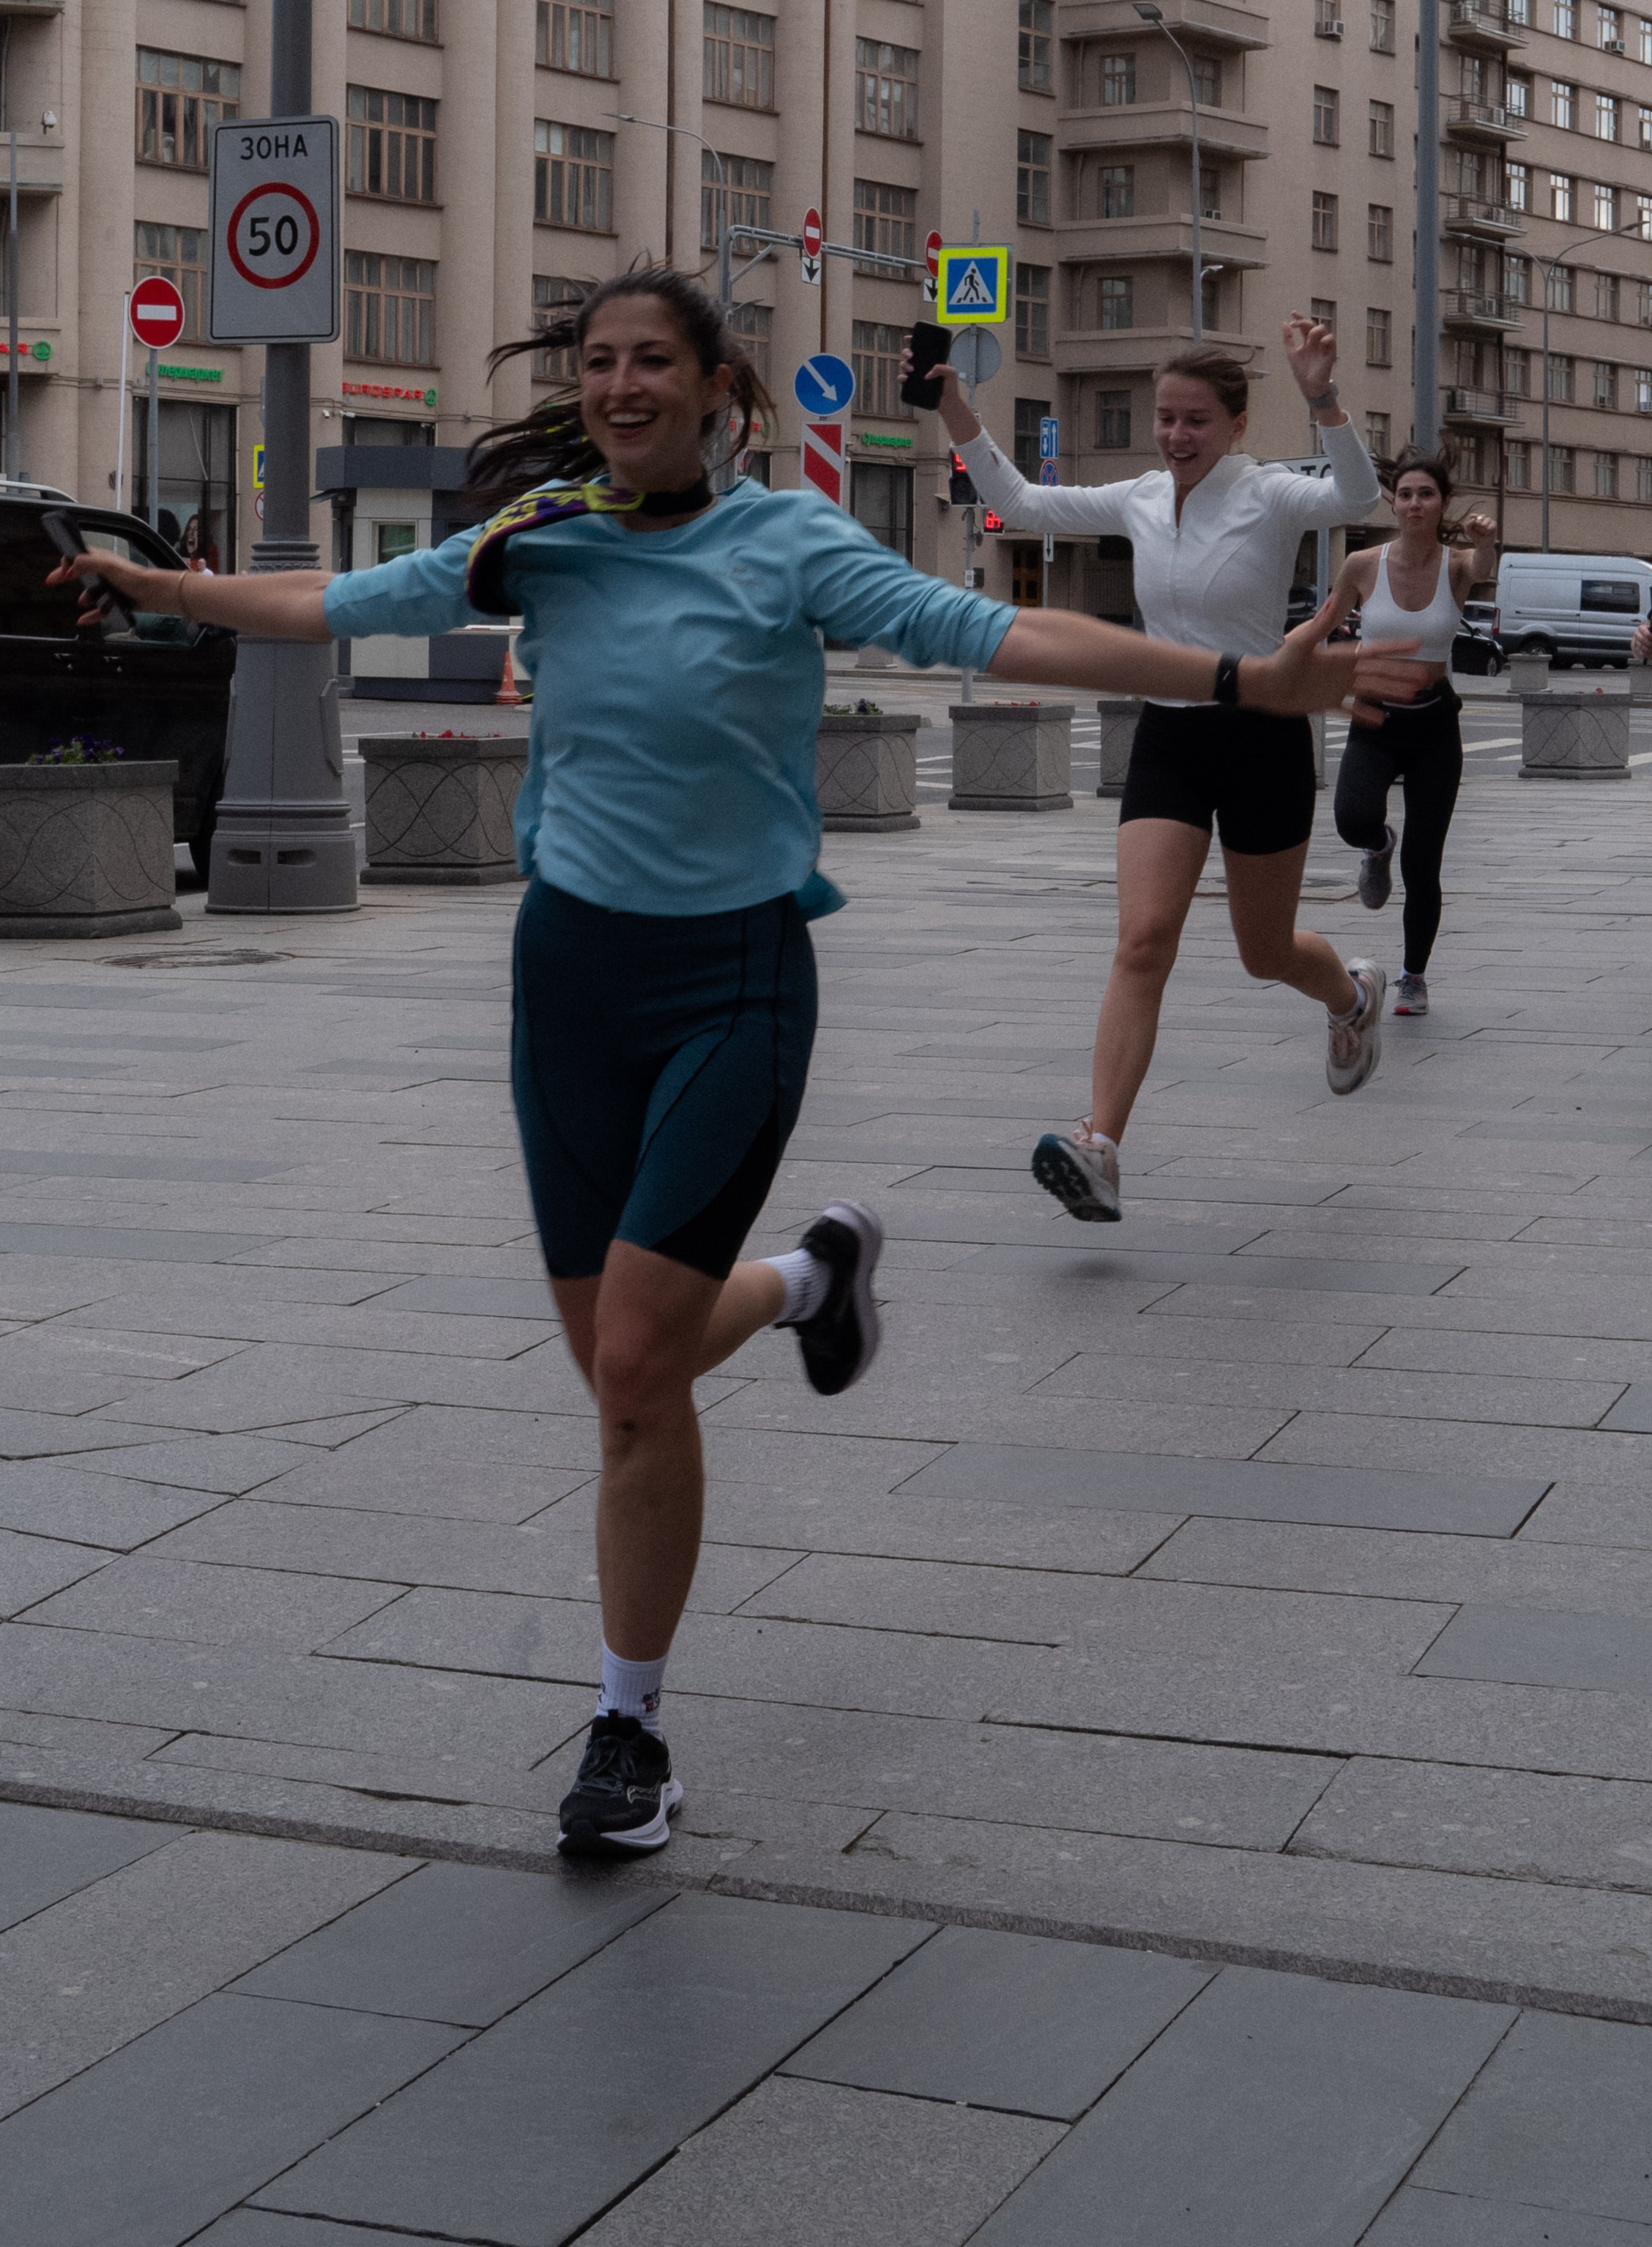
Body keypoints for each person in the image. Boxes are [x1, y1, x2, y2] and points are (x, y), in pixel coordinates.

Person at [56, 270, 1415, 1862]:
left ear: (719, 393)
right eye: (599, 362)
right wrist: (167, 592)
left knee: (634, 1371)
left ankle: (627, 1722)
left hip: (735, 979)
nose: (622, 384)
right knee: (629, 1358)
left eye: (653, 362)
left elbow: (1007, 630)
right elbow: (333, 609)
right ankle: (810, 1277)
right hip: (568, 981)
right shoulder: (533, 541)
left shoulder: (790, 544)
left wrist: (1247, 680)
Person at [922, 316, 1393, 1228]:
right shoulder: (1140, 497)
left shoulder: (1274, 495)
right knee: (1143, 940)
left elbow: (1358, 492)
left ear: (1237, 424)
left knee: (1266, 952)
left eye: (1195, 421)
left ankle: (1351, 993)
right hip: (1170, 737)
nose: (1175, 437)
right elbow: (1019, 504)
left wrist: (1323, 395)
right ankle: (1100, 1146)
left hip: (1261, 734)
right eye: (1164, 419)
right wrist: (953, 406)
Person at [1321, 450, 1496, 1020]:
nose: (1415, 503)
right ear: (1393, 502)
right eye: (1405, 494)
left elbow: (1485, 567)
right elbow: (1325, 626)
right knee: (1352, 817)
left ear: (1441, 502)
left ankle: (1413, 976)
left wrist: (1486, 537)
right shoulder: (1362, 565)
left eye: (1426, 494)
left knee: (1424, 865)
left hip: (1434, 728)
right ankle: (1376, 848)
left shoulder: (1456, 565)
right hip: (1375, 720)